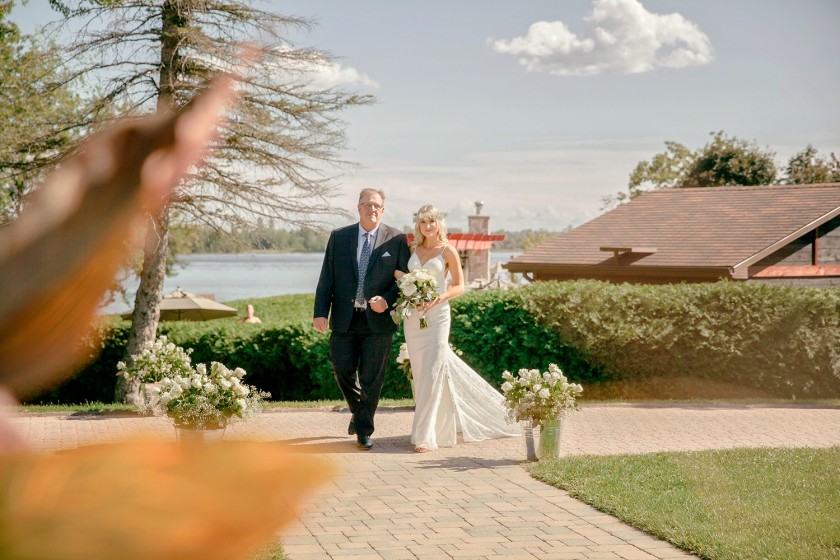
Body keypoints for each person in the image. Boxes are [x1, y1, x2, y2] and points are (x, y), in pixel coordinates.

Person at [398, 204, 519, 453]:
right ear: (418, 225)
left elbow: (460, 285)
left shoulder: (448, 250)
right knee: (422, 375)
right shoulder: (413, 248)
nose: (428, 226)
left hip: (438, 315)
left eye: (432, 221)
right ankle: (437, 431)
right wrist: (403, 280)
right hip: (413, 318)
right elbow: (402, 277)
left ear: (439, 224)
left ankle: (424, 437)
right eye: (423, 222)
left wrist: (439, 298)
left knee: (432, 371)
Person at [313, 188, 410, 450]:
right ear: (358, 208)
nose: (372, 209)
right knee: (341, 368)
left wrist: (387, 300)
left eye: (376, 205)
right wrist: (320, 311)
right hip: (345, 318)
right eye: (367, 204)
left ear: (383, 209)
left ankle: (364, 430)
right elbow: (327, 278)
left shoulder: (397, 239)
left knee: (372, 378)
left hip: (378, 321)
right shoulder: (339, 237)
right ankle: (359, 412)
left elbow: (405, 280)